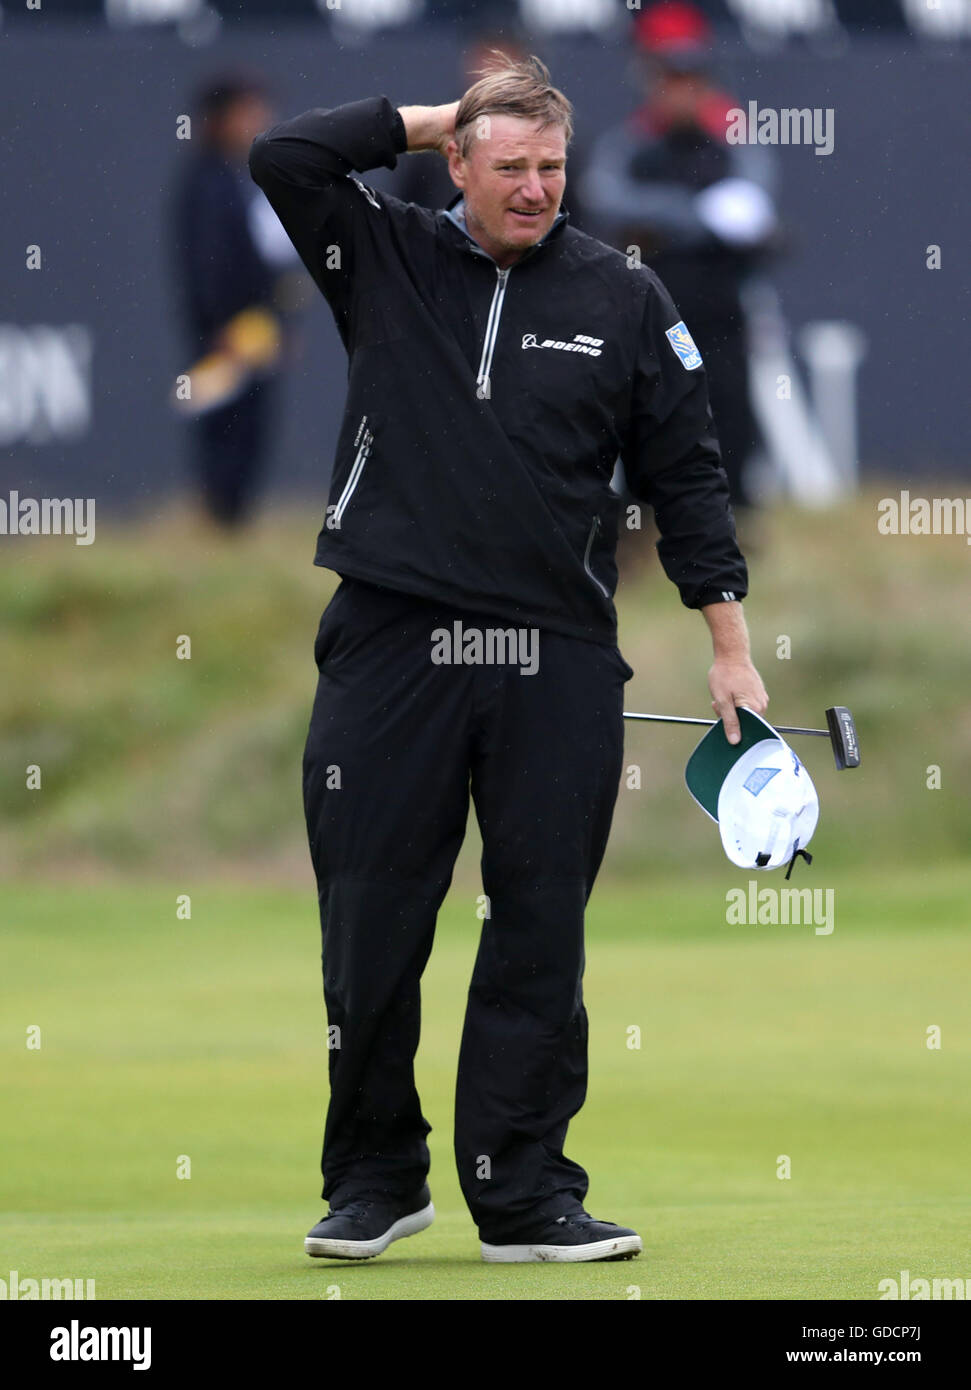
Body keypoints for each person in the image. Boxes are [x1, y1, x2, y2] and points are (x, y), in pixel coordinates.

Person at [249, 54, 768, 1264]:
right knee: (369, 928)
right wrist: (430, 117)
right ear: (460, 167)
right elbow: (284, 157)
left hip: (557, 652)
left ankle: (523, 1191)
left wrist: (730, 651)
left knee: (538, 930)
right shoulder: (380, 254)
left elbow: (687, 478)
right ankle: (376, 1177)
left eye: (551, 167)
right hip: (390, 643)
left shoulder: (623, 294)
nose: (536, 188)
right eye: (510, 165)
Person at [581, 3, 780, 515]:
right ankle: (641, 516)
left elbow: (754, 207)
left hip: (719, 309)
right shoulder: (633, 145)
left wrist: (680, 226)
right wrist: (691, 216)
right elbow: (603, 197)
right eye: (670, 81)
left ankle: (735, 512)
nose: (681, 93)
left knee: (728, 406)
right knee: (644, 407)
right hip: (650, 307)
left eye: (691, 81)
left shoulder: (730, 145)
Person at [170, 73, 308, 527]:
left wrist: (280, 326)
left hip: (255, 331)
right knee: (226, 429)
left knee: (251, 429)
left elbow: (268, 263)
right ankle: (219, 524)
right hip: (225, 337)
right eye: (248, 112)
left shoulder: (242, 178)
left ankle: (232, 525)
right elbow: (205, 266)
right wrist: (221, 329)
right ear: (219, 119)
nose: (260, 120)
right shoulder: (206, 182)